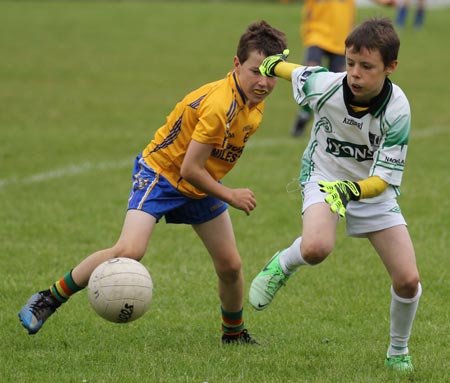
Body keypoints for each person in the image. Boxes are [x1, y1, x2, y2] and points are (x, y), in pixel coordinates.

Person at [18, 20, 288, 344]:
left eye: (271, 73)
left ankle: (233, 333)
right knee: (130, 249)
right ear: (236, 64)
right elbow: (189, 168)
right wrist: (230, 194)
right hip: (162, 174)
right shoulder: (219, 106)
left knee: (230, 265)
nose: (263, 82)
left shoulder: (254, 104)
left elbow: (200, 171)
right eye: (255, 71)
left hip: (200, 183)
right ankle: (49, 298)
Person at [250, 17, 421, 371]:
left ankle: (398, 351)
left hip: (370, 188)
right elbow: (295, 71)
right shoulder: (328, 85)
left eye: (367, 67)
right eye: (351, 63)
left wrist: (353, 190)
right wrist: (272, 63)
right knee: (316, 248)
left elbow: (384, 180)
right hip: (324, 176)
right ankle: (281, 265)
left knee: (407, 280)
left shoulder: (398, 109)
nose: (355, 74)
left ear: (391, 67)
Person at [291, 0, 395, 137]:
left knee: (340, 87)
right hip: (316, 34)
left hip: (341, 39)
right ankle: (304, 114)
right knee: (309, 75)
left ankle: (338, 125)